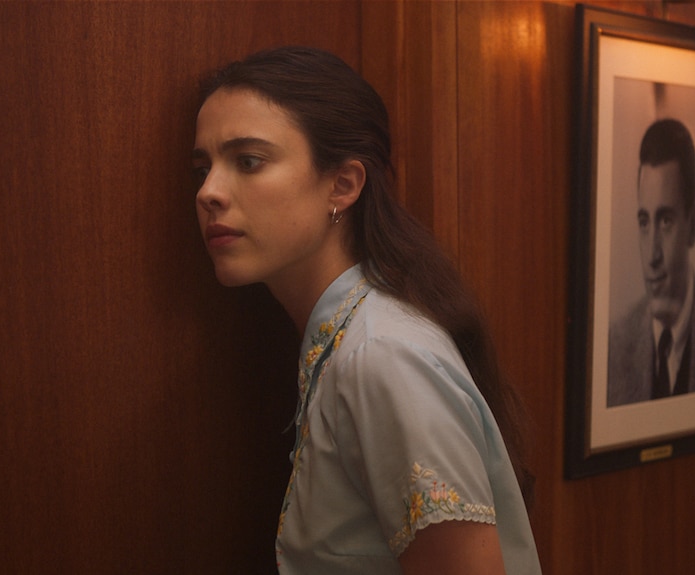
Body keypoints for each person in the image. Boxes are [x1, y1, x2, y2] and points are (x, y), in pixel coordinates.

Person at [190, 46, 541, 574]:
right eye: (203, 167)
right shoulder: (349, 340)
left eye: (249, 161)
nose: (209, 192)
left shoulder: (381, 356)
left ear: (343, 183)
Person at [607, 118, 695, 407]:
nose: (652, 255)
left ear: (694, 224)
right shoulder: (615, 345)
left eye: (665, 221)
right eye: (644, 222)